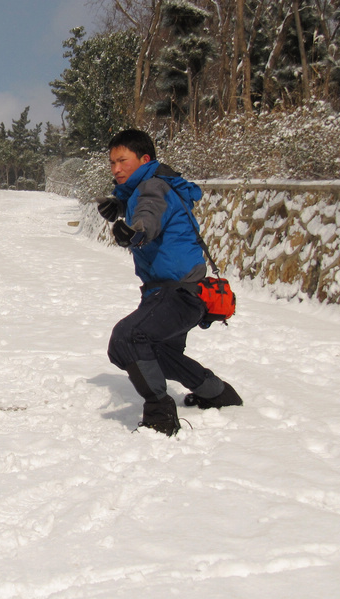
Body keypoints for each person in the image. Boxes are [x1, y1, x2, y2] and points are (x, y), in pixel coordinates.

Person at [98, 129, 243, 436]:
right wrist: (119, 204)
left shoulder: (153, 187)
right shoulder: (146, 186)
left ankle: (160, 415)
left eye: (123, 161)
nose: (116, 169)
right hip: (172, 292)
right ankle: (217, 393)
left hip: (177, 293)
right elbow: (142, 205)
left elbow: (149, 215)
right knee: (157, 355)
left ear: (145, 159)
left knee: (127, 339)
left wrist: (135, 233)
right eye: (112, 163)